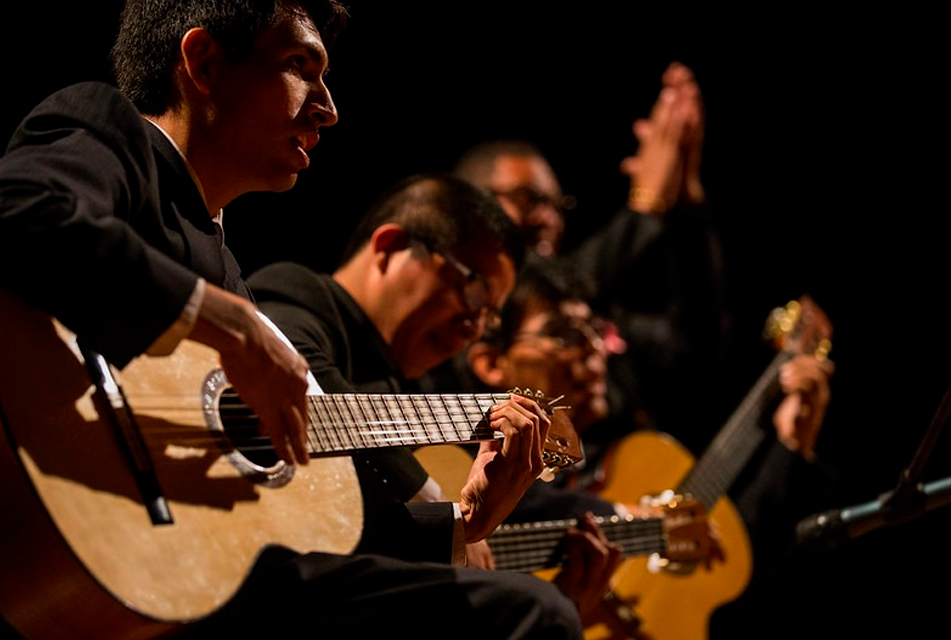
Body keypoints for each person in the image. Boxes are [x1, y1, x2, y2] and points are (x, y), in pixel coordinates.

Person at [0, 2, 583, 639]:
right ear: (203, 61)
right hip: (90, 535)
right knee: (530, 612)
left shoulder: (227, 270)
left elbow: (300, 515)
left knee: (521, 603)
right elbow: (23, 213)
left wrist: (462, 520)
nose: (328, 108)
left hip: (189, 570)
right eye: (300, 66)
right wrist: (230, 325)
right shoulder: (109, 128)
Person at [246, 171, 625, 625]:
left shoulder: (397, 382)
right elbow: (313, 390)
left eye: (488, 316)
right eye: (474, 290)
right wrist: (450, 516)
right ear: (390, 246)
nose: (473, 325)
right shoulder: (298, 293)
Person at [422, 254, 837, 640]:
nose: (595, 350)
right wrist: (640, 524)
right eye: (565, 333)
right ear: (493, 363)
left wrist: (792, 441)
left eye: (597, 331)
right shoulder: (445, 460)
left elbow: (723, 575)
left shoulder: (622, 464)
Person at [451, 62, 732, 453]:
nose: (548, 218)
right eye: (529, 199)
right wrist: (645, 205)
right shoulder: (458, 313)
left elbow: (694, 343)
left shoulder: (589, 315)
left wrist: (686, 202)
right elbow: (524, 284)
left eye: (556, 204)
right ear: (471, 206)